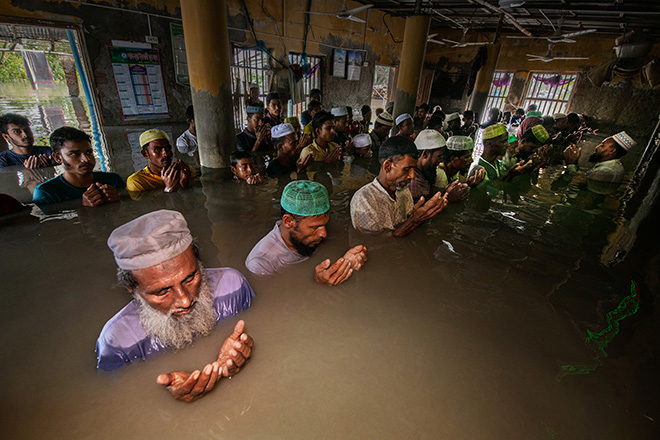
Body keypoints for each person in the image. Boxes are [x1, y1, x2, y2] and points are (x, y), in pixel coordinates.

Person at [96, 210, 254, 401]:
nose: (185, 300)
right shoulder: (118, 341)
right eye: (162, 291)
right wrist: (163, 396)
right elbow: (118, 401)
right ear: (133, 290)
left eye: (190, 278)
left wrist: (244, 354)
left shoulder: (232, 285)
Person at [246, 180, 367, 284]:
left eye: (325, 224)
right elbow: (279, 302)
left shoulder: (312, 236)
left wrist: (345, 263)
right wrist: (316, 284)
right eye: (315, 228)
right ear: (288, 221)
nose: (323, 234)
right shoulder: (261, 263)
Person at [350, 136, 448, 236]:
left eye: (413, 169)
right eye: (406, 169)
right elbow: (374, 244)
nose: (412, 176)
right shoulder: (364, 200)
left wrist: (424, 216)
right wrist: (413, 221)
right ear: (387, 166)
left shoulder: (404, 192)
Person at [31, 127, 123, 205]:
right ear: (58, 158)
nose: (86, 159)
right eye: (74, 154)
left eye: (89, 152)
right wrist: (84, 209)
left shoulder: (113, 180)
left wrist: (119, 200)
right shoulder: (46, 193)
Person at [407, 129, 469, 204]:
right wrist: (447, 199)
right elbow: (420, 213)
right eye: (439, 156)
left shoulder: (424, 173)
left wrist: (446, 192)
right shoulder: (412, 181)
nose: (441, 161)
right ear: (425, 154)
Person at [127, 129, 194, 193]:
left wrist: (185, 185)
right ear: (145, 154)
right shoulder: (137, 182)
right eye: (158, 149)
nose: (165, 154)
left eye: (168, 148)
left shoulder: (184, 171)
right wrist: (169, 188)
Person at [563, 131, 635, 184]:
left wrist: (571, 164)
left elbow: (580, 182)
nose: (597, 147)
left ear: (612, 151)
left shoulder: (606, 170)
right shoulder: (612, 166)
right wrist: (574, 163)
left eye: (602, 146)